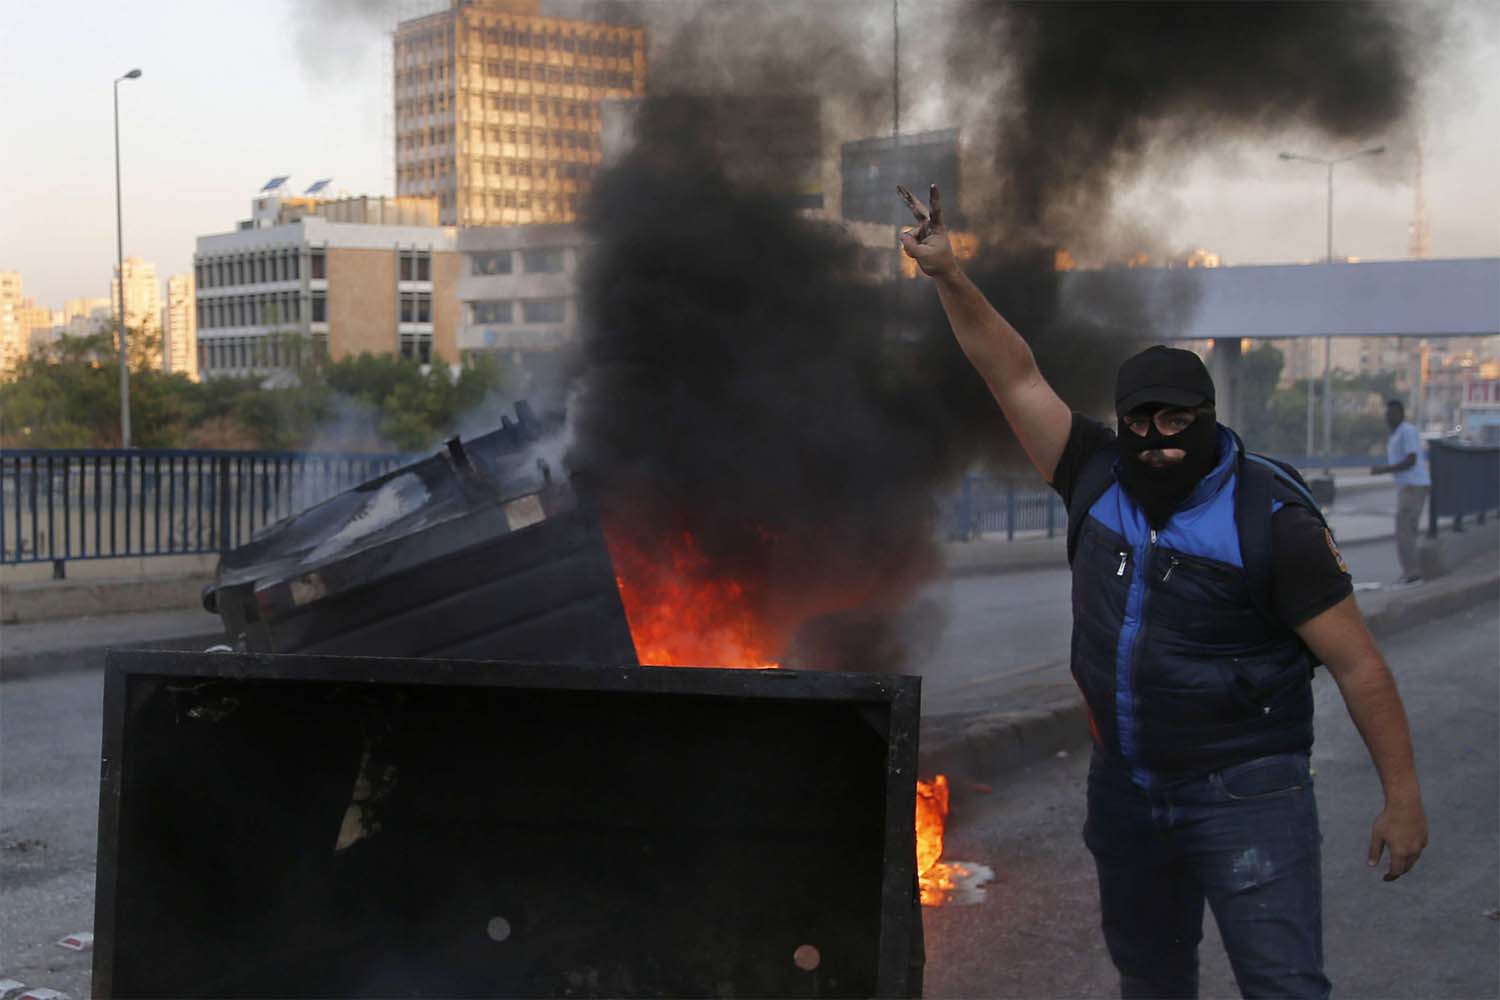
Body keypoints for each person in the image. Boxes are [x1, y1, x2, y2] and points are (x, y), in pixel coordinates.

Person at [897, 184, 1427, 999]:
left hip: (1248, 791)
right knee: (1149, 979)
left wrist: (1403, 799)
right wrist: (950, 277)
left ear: (1207, 417)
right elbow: (1013, 374)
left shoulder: (1270, 517)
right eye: (1141, 422)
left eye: (1178, 422)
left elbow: (1359, 667)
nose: (1158, 441)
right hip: (1127, 788)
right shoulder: (1094, 472)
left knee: (1282, 984)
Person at [1369, 399, 1430, 588]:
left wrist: (1384, 470)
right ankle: (1410, 572)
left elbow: (1411, 459)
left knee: (1405, 531)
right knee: (1405, 530)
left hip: (1413, 486)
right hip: (1407, 487)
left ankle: (1413, 574)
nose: (1388, 418)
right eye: (1387, 414)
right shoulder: (1397, 434)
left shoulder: (1407, 431)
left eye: (1392, 414)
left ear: (1401, 414)